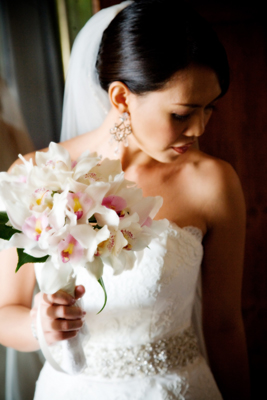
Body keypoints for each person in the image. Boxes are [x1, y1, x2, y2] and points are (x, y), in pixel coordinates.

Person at [0, 1, 250, 399]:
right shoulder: (35, 176)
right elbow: (4, 314)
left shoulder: (213, 183)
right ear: (120, 98)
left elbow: (224, 326)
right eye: (183, 113)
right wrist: (39, 326)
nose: (199, 128)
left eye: (209, 109)